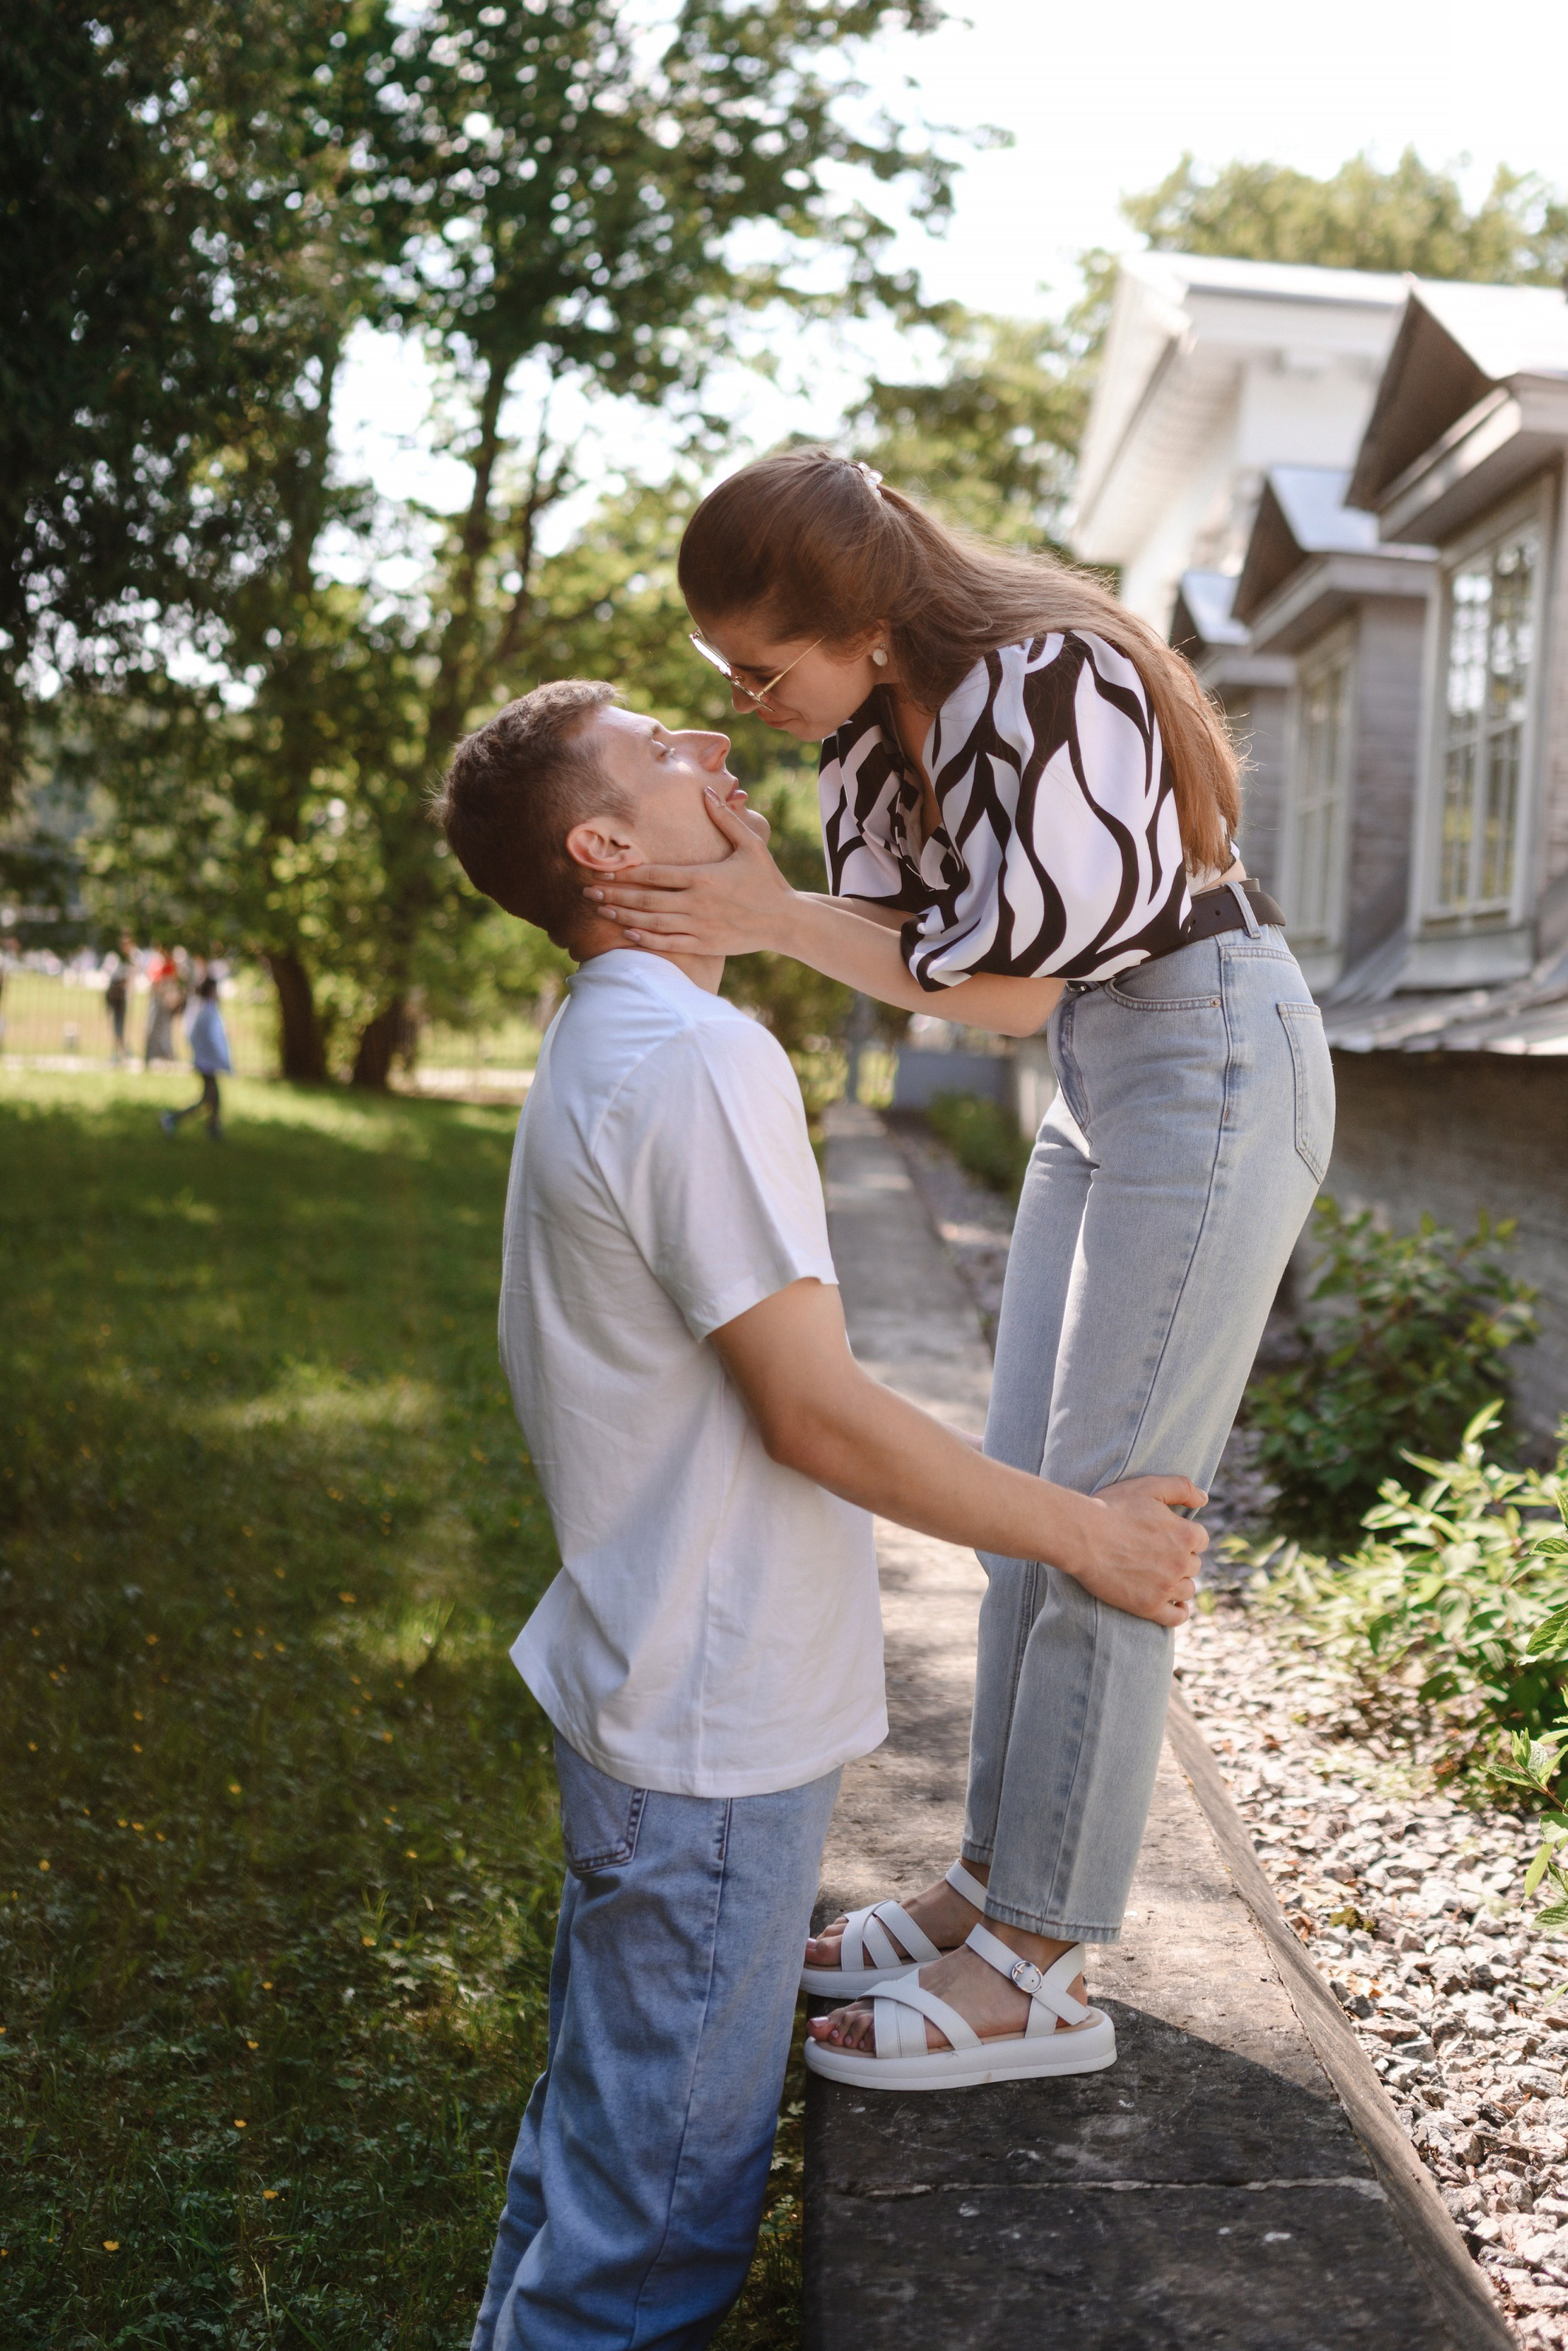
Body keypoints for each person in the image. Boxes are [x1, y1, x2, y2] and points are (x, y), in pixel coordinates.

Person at [433, 679, 1208, 2348]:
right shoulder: (695, 1057)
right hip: (709, 1729)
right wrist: (1086, 1535)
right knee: (642, 2250)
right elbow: (812, 1406)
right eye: (665, 749)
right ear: (604, 844)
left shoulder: (614, 1030)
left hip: (653, 1691)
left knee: (588, 2164)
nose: (719, 751)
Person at [583, 445, 1335, 2092]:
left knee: (1111, 1523)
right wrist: (756, 915)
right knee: (1026, 1511)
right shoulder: (866, 742)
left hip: (1206, 1060)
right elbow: (909, 965)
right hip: (1099, 1075)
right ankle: (994, 1884)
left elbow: (995, 989)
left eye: (760, 669)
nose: (747, 702)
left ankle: (1044, 1967)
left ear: (857, 617)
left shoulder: (1043, 679)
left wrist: (761, 914)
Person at [162, 974, 230, 1137]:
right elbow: (212, 1040)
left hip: (208, 1062)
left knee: (214, 1098)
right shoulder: (207, 1012)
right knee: (208, 1099)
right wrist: (222, 1061)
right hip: (207, 1063)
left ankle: (213, 1126)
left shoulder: (208, 1010)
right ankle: (172, 1118)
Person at [105, 954, 131, 1066]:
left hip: (120, 1004)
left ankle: (121, 1052)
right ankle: (119, 1052)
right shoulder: (117, 974)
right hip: (117, 1004)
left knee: (119, 1028)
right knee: (118, 1028)